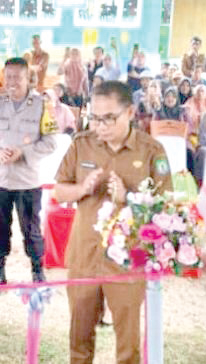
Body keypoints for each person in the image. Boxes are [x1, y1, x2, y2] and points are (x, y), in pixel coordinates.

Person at [54, 80, 172, 364]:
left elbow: (165, 208)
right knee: (79, 340)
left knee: (127, 344)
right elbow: (59, 191)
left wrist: (128, 197)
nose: (101, 126)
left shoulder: (151, 151)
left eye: (109, 118)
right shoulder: (82, 144)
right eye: (95, 118)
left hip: (129, 259)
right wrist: (82, 189)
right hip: (85, 255)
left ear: (130, 112)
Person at [0, 57, 58, 285]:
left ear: (27, 78)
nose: (12, 82)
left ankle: (36, 269)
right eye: (8, 76)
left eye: (17, 77)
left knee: (31, 229)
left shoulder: (42, 106)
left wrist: (24, 152)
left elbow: (51, 142)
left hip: (27, 182)